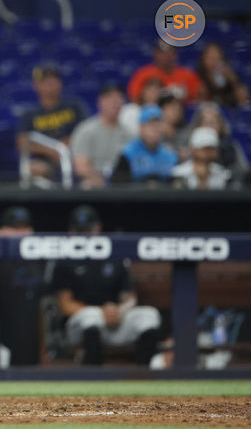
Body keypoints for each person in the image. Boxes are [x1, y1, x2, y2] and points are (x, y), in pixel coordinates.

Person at [50, 205, 161, 365]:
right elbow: (65, 305)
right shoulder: (64, 260)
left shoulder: (114, 255)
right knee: (92, 317)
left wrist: (119, 310)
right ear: (71, 232)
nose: (84, 235)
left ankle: (143, 376)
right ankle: (93, 378)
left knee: (149, 315)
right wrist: (101, 312)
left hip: (114, 321)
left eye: (88, 230)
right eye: (79, 231)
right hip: (80, 326)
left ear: (98, 228)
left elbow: (129, 297)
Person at [17, 65, 87, 180]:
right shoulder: (29, 115)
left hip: (75, 156)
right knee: (32, 168)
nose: (50, 85)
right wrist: (52, 150)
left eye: (54, 80)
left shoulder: (74, 107)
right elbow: (22, 143)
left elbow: (85, 132)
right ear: (36, 86)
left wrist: (66, 145)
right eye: (45, 82)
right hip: (46, 161)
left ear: (60, 83)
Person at [70, 84, 130, 188]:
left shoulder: (129, 133)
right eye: (110, 97)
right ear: (100, 102)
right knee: (87, 185)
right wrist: (101, 180)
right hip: (95, 182)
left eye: (119, 97)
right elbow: (81, 167)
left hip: (122, 183)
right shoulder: (86, 130)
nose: (115, 102)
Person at [110, 105, 178, 185]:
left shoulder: (170, 155)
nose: (155, 129)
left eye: (158, 124)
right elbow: (117, 185)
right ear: (141, 128)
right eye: (150, 125)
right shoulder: (128, 154)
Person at [127, 41, 201, 104]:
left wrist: (184, 97)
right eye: (161, 52)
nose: (165, 56)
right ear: (155, 53)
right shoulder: (143, 74)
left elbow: (198, 100)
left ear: (175, 55)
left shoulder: (188, 75)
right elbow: (134, 98)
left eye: (169, 52)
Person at [187, 102, 248, 178]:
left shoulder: (231, 147)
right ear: (198, 125)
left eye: (214, 121)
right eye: (206, 121)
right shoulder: (191, 145)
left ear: (221, 125)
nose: (210, 125)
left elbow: (242, 172)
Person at [196, 42, 250, 108]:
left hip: (230, 109)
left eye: (216, 57)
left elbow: (244, 100)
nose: (213, 62)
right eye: (210, 58)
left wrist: (233, 80)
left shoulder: (230, 75)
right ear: (203, 60)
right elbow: (197, 104)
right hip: (209, 113)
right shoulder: (198, 77)